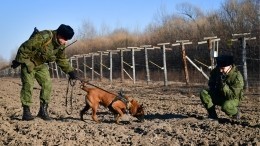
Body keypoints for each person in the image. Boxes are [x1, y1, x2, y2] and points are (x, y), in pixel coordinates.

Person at [11, 24, 77, 121]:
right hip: (28, 62)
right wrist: (18, 60)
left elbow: (61, 59)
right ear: (59, 34)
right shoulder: (45, 36)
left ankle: (43, 111)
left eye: (67, 39)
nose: (65, 41)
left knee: (47, 84)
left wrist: (70, 71)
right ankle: (26, 112)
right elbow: (26, 46)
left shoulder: (60, 46)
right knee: (28, 85)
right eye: (64, 38)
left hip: (41, 65)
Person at [200, 55, 244, 120]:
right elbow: (211, 83)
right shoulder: (216, 71)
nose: (220, 70)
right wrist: (214, 89)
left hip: (233, 98)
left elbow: (233, 95)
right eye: (219, 68)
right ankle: (212, 115)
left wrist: (223, 85)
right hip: (220, 95)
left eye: (223, 68)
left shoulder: (237, 77)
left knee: (226, 106)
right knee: (204, 93)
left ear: (230, 67)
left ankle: (236, 113)